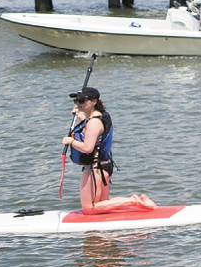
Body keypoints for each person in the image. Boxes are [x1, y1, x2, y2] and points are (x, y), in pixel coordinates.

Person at [63, 86, 159, 214]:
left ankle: (133, 200)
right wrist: (81, 116)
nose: (78, 103)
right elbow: (94, 129)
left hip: (95, 169)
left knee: (89, 208)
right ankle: (136, 204)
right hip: (104, 166)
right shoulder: (101, 116)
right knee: (102, 206)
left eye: (82, 100)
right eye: (76, 100)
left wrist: (70, 141)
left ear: (94, 102)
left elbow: (88, 148)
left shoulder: (93, 122)